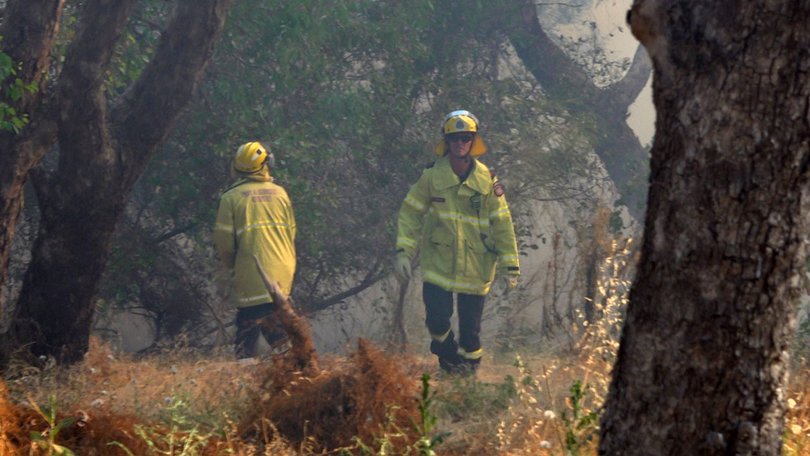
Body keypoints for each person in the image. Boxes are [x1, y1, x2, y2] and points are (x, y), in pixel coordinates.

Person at [394, 110, 520, 375]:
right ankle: (449, 362)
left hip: (476, 266)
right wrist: (403, 251)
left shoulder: (487, 180)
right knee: (437, 322)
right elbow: (411, 213)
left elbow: (502, 223)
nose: (460, 143)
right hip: (438, 264)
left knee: (470, 334)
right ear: (447, 142)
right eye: (454, 138)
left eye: (465, 138)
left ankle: (466, 377)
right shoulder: (431, 177)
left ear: (473, 141)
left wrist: (510, 265)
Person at [214, 141, 297, 359]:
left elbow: (224, 244)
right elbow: (291, 233)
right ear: (265, 164)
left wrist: (233, 267)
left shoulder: (230, 198)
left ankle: (256, 368)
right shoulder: (281, 194)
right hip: (283, 272)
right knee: (269, 317)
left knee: (249, 326)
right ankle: (293, 362)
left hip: (253, 272)